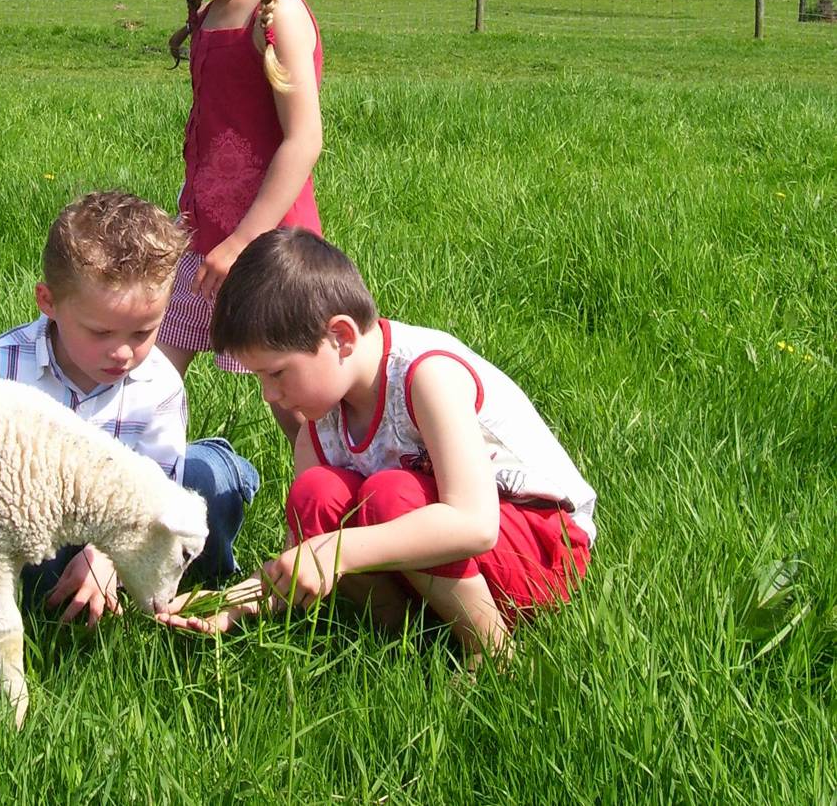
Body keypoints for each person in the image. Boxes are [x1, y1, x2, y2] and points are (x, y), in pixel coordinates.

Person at [159, 228, 596, 664]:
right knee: (315, 493)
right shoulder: (322, 414)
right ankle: (402, 642)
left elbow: (476, 524)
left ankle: (491, 649)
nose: (269, 395)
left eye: (276, 373)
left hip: (538, 546)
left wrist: (339, 550)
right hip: (447, 558)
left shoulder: (426, 377)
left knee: (390, 495)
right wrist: (233, 605)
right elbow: (305, 552)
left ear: (341, 338)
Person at [0, 191, 259, 625]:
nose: (122, 352)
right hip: (36, 521)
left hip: (128, 520)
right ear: (49, 302)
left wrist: (109, 554)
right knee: (38, 581)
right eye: (100, 331)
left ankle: (225, 477)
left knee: (201, 494)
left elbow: (157, 498)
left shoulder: (159, 385)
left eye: (143, 332)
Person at [124, 0, 324, 443]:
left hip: (265, 248)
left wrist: (243, 239)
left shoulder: (276, 16)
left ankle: (335, 517)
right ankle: (142, 498)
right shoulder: (215, 11)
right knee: (153, 379)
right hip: (201, 241)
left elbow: (302, 140)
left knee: (294, 402)